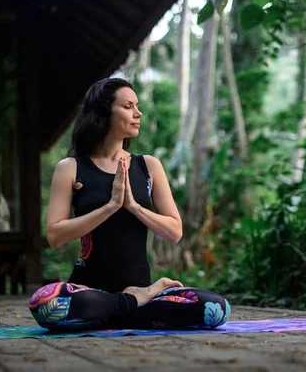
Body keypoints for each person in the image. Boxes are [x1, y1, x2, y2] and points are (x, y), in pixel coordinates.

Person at [28, 78, 231, 331]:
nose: (138, 113)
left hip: (141, 285)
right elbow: (55, 236)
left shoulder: (148, 166)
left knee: (216, 309)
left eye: (137, 105)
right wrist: (110, 206)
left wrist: (133, 206)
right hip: (89, 288)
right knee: (44, 304)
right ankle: (131, 303)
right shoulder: (70, 168)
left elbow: (175, 231)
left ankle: (115, 309)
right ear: (104, 112)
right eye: (127, 106)